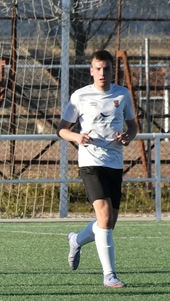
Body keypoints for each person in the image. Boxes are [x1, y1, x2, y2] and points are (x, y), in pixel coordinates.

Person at [59, 50, 138, 288]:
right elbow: (61, 129)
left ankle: (76, 240)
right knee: (103, 216)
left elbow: (133, 126)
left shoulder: (122, 95)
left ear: (113, 70)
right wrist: (77, 136)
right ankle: (109, 275)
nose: (102, 73)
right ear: (91, 70)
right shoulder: (80, 96)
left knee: (108, 222)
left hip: (114, 163)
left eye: (106, 68)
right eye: (98, 68)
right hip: (90, 163)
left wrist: (127, 137)